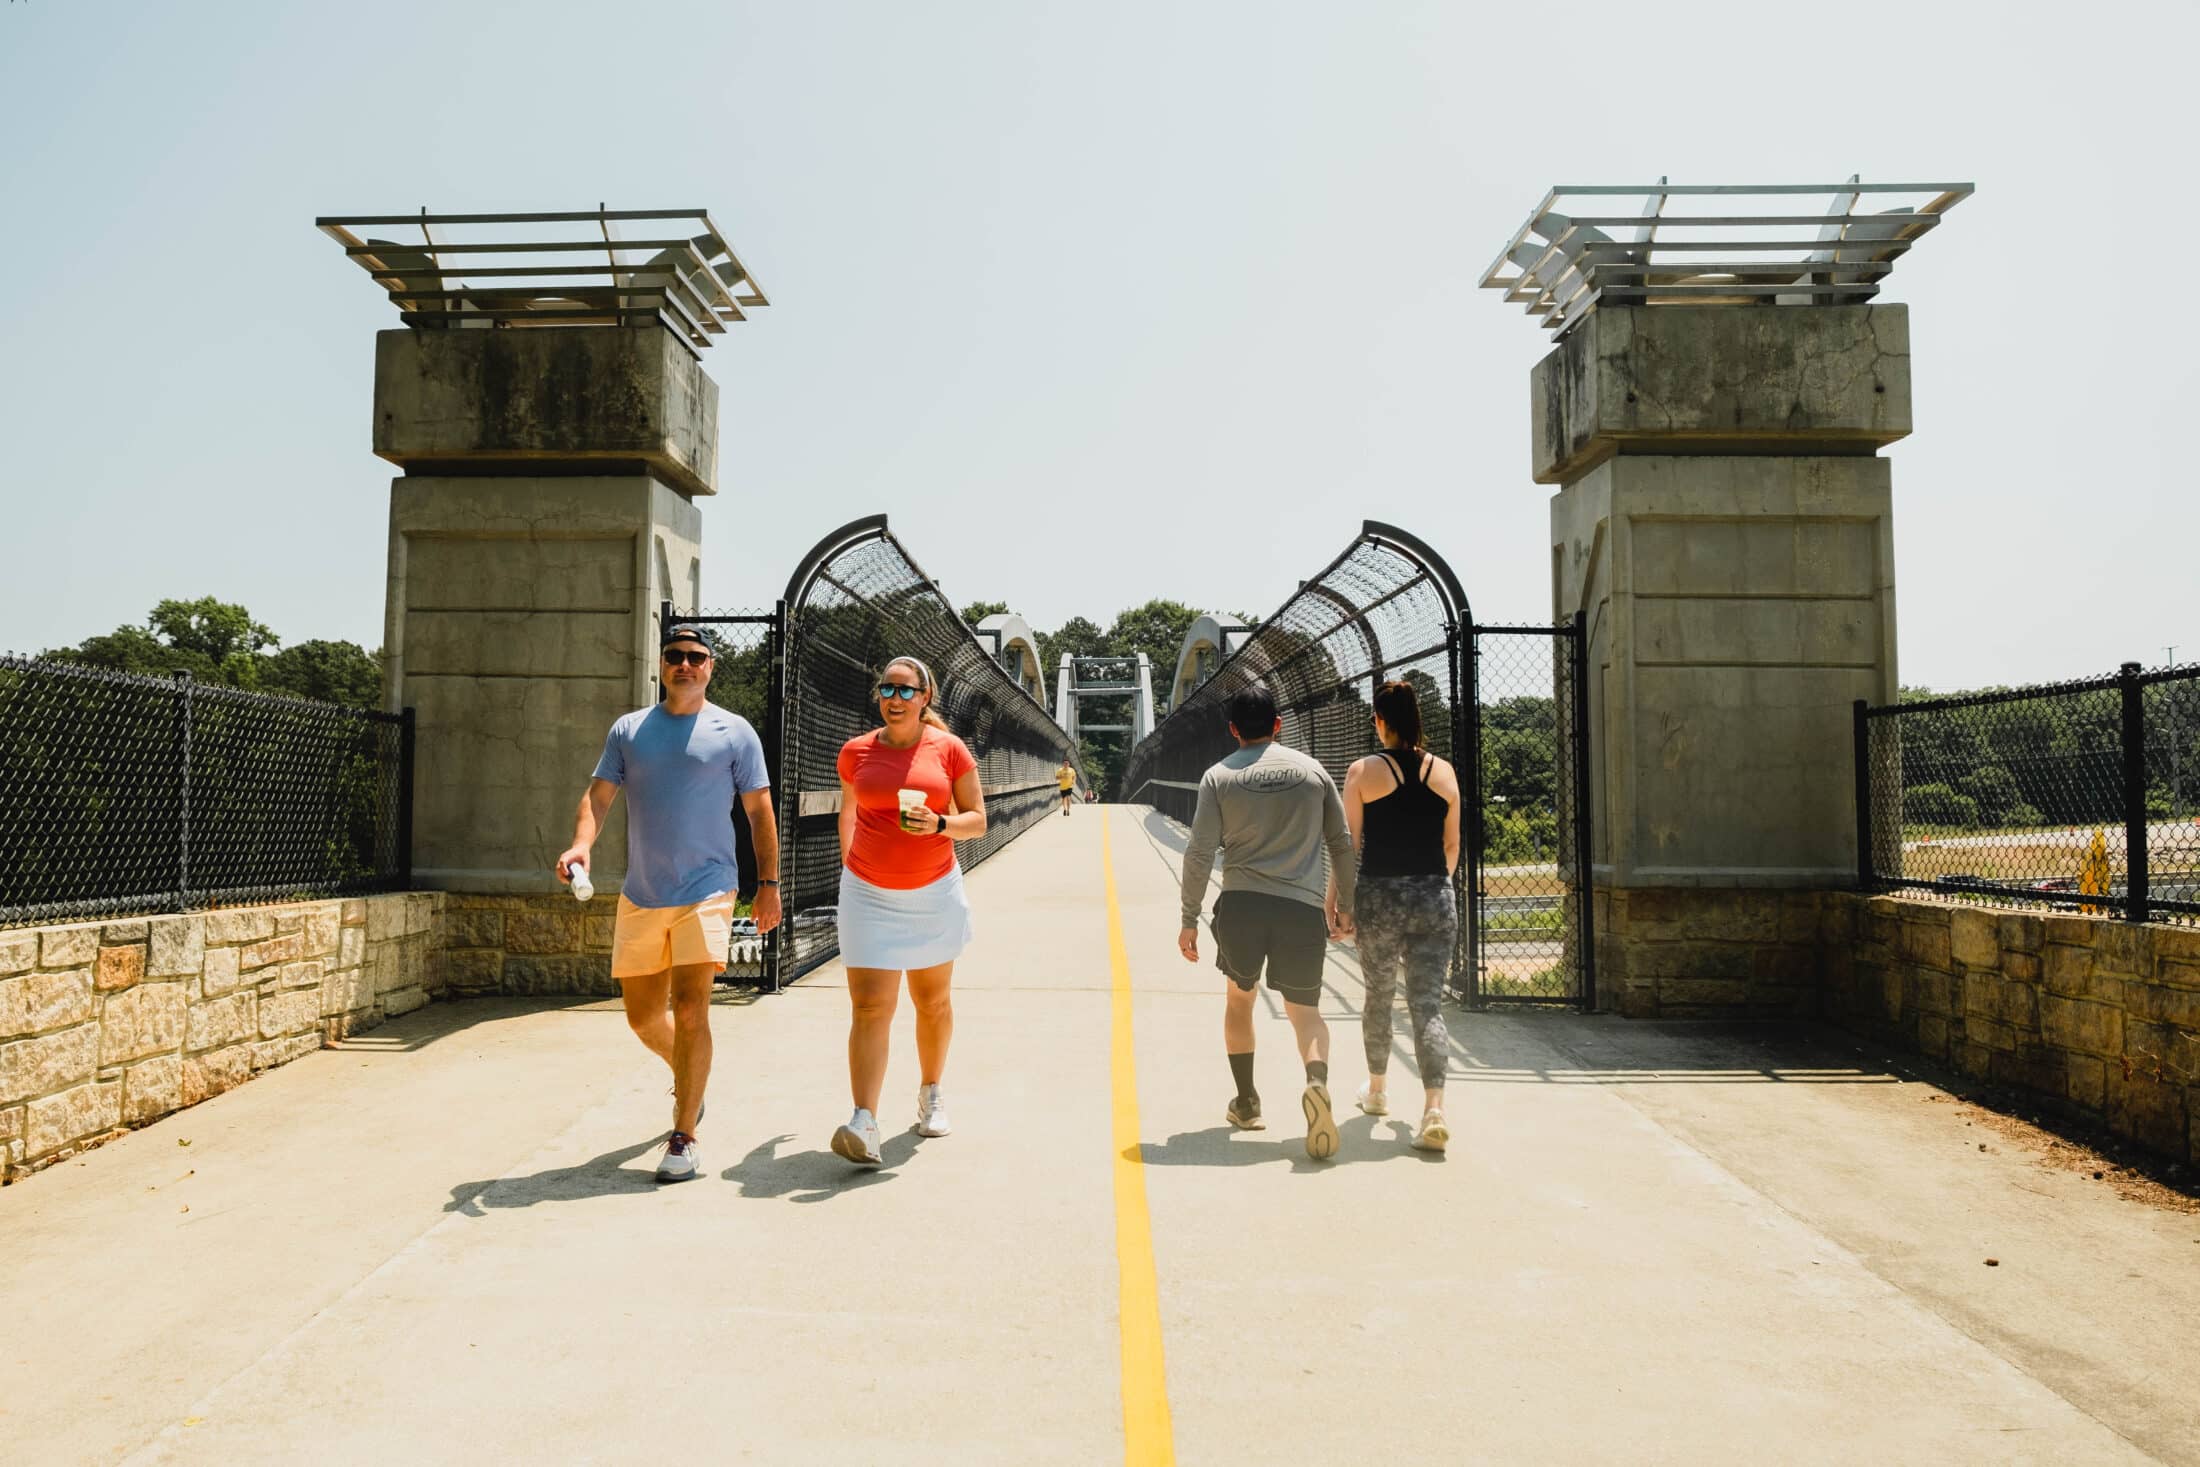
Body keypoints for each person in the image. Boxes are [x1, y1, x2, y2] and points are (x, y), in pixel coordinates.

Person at [555, 624, 781, 1184]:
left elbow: (759, 813)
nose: (685, 665)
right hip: (642, 892)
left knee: (692, 1006)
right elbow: (598, 797)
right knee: (641, 1017)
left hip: (709, 888)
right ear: (662, 664)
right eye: (675, 656)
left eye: (696, 657)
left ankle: (684, 1136)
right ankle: (690, 1074)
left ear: (710, 667)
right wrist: (582, 843)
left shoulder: (735, 732)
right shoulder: (629, 730)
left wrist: (769, 885)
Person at [1178, 683, 1356, 1160]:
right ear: (1278, 725)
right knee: (1306, 1013)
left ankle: (1248, 1102)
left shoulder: (1218, 777)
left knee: (1240, 1000)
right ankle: (1316, 1082)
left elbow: (1198, 852)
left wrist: (1189, 917)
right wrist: (1348, 906)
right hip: (1301, 908)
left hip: (1242, 905)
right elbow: (1340, 842)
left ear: (1233, 730)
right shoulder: (1313, 771)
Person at [830, 656, 988, 1165]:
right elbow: (849, 813)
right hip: (868, 895)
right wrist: (850, 871)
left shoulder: (950, 750)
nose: (894, 699)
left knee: (931, 1002)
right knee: (870, 1007)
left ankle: (931, 1091)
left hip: (932, 893)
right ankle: (864, 1120)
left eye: (905, 690)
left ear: (925, 697)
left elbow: (978, 821)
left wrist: (941, 825)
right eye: (887, 690)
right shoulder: (855, 753)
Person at [1341, 681, 1462, 1152]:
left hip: (1379, 898)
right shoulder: (1445, 773)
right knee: (1427, 1005)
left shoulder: (1362, 771)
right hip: (1434, 895)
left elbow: (1349, 846)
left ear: (1380, 720)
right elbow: (1451, 845)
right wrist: (1433, 883)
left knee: (1378, 995)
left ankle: (1376, 1092)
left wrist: (1340, 904)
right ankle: (1434, 1108)